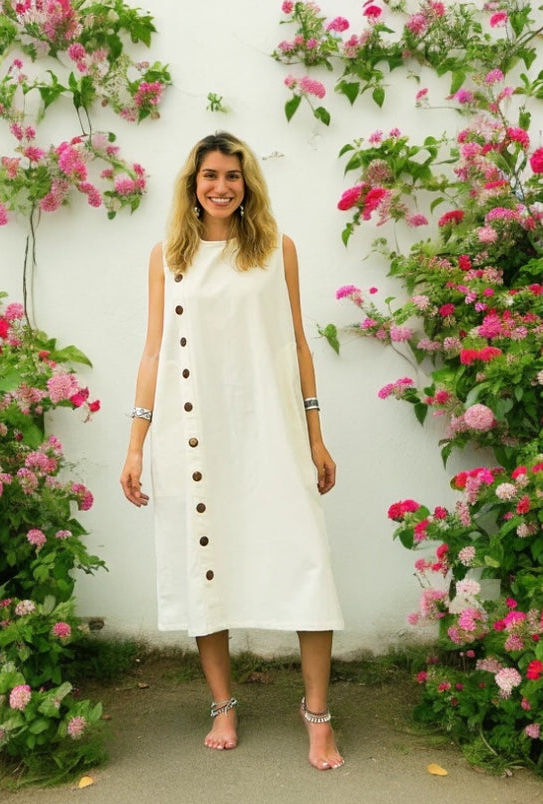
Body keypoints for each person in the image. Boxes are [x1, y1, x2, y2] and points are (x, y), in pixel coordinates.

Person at [120, 132, 344, 770]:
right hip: (195, 432)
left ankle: (318, 715)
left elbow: (296, 345)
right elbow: (153, 353)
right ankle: (222, 703)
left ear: (249, 186)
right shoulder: (168, 256)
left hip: (268, 428)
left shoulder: (277, 250)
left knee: (305, 561)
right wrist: (135, 445)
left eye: (234, 177)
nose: (221, 186)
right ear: (193, 182)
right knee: (206, 561)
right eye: (210, 175)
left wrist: (315, 434)